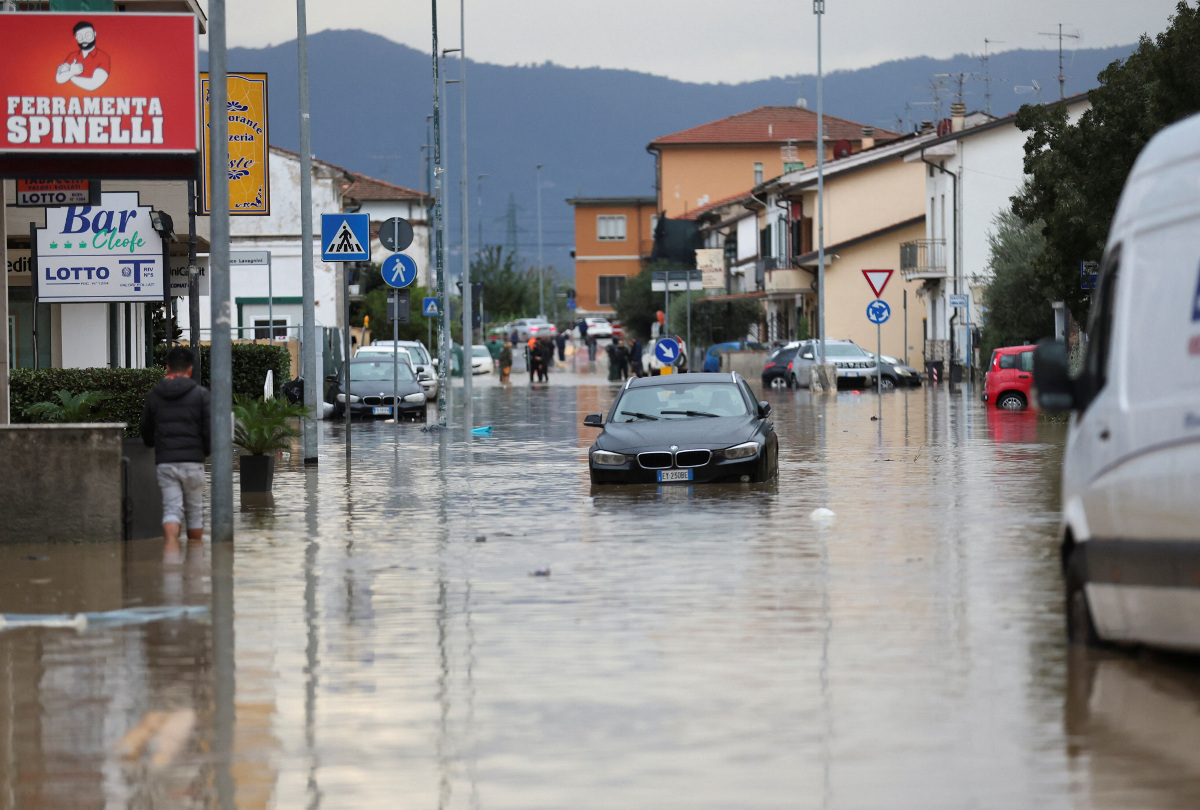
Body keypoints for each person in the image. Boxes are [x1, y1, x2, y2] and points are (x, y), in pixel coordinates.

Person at [140, 347, 211, 564]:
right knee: (195, 512)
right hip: (193, 461)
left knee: (172, 509)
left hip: (166, 461)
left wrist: (153, 444)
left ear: (168, 368)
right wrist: (203, 452)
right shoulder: (201, 395)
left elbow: (145, 428)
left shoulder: (155, 394)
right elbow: (209, 431)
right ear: (190, 370)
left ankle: (170, 557)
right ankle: (195, 564)